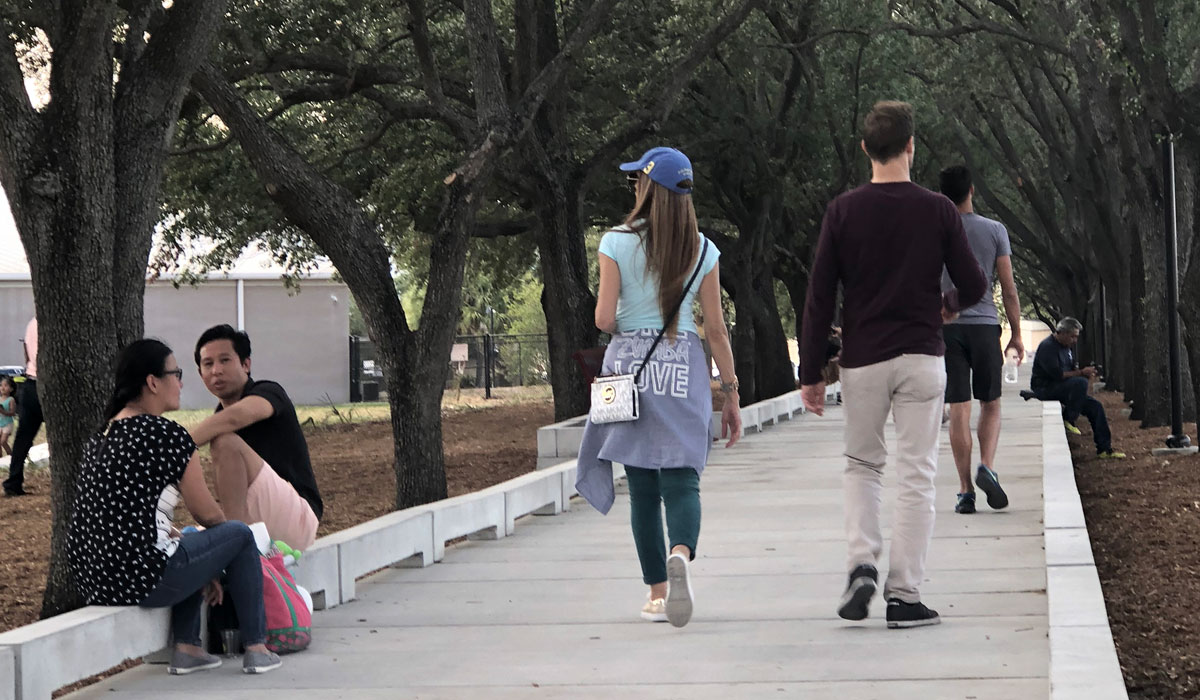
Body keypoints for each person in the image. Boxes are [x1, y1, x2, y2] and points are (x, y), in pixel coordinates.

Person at [800, 101, 987, 629]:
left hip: (863, 360)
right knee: (917, 474)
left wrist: (811, 372)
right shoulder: (938, 210)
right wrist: (946, 305)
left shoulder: (842, 211)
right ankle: (904, 595)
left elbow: (818, 298)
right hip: (923, 357)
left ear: (865, 149)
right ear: (912, 147)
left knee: (862, 465)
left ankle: (862, 563)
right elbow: (974, 284)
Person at [576, 146, 742, 629]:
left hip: (629, 368)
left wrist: (634, 319)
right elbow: (716, 330)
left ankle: (656, 593)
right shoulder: (705, 250)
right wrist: (729, 393)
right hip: (683, 366)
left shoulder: (614, 242)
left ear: (647, 188)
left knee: (643, 487)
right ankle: (681, 553)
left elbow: (604, 318)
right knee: (682, 478)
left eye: (636, 181)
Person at [67, 339, 282, 675]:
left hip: (93, 579)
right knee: (238, 534)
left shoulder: (101, 437)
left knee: (190, 539)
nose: (181, 382)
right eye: (176, 373)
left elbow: (123, 516)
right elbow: (209, 514)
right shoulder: (168, 436)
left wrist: (205, 563)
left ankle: (188, 648)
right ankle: (256, 647)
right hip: (141, 579)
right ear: (153, 382)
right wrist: (218, 556)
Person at [938, 165, 1025, 515]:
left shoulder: (935, 233)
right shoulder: (995, 230)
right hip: (986, 325)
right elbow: (1008, 288)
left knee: (959, 407)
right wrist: (1016, 335)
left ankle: (964, 492)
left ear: (942, 194)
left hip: (949, 327)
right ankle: (986, 466)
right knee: (990, 402)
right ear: (971, 190)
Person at [190, 325, 323, 551]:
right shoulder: (218, 418)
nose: (216, 371)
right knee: (189, 541)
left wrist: (172, 444)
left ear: (246, 364)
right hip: (256, 520)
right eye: (208, 364)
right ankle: (235, 545)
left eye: (225, 360)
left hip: (298, 516)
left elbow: (237, 417)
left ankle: (236, 550)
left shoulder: (269, 392)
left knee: (224, 442)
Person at [1031, 318, 1125, 458]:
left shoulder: (1066, 348)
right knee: (1080, 382)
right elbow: (1057, 374)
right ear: (1061, 333)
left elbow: (1070, 371)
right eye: (1072, 336)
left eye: (1076, 337)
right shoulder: (1048, 347)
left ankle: (1104, 449)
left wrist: (1085, 373)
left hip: (1064, 388)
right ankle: (1069, 418)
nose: (1074, 340)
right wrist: (1081, 373)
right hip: (1045, 387)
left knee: (1096, 407)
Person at [3, 318, 41, 496]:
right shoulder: (56, 323)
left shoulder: (32, 324)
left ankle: (13, 482)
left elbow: (27, 353)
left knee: (22, 438)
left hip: (30, 383)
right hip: (48, 385)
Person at [0, 376, 16, 457]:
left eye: (5, 385)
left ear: (11, 389)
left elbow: (13, 413)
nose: (2, 387)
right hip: (0, 423)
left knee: (3, 441)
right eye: (1, 385)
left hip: (7, 424)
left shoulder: (11, 399)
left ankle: (10, 455)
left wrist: (3, 411)